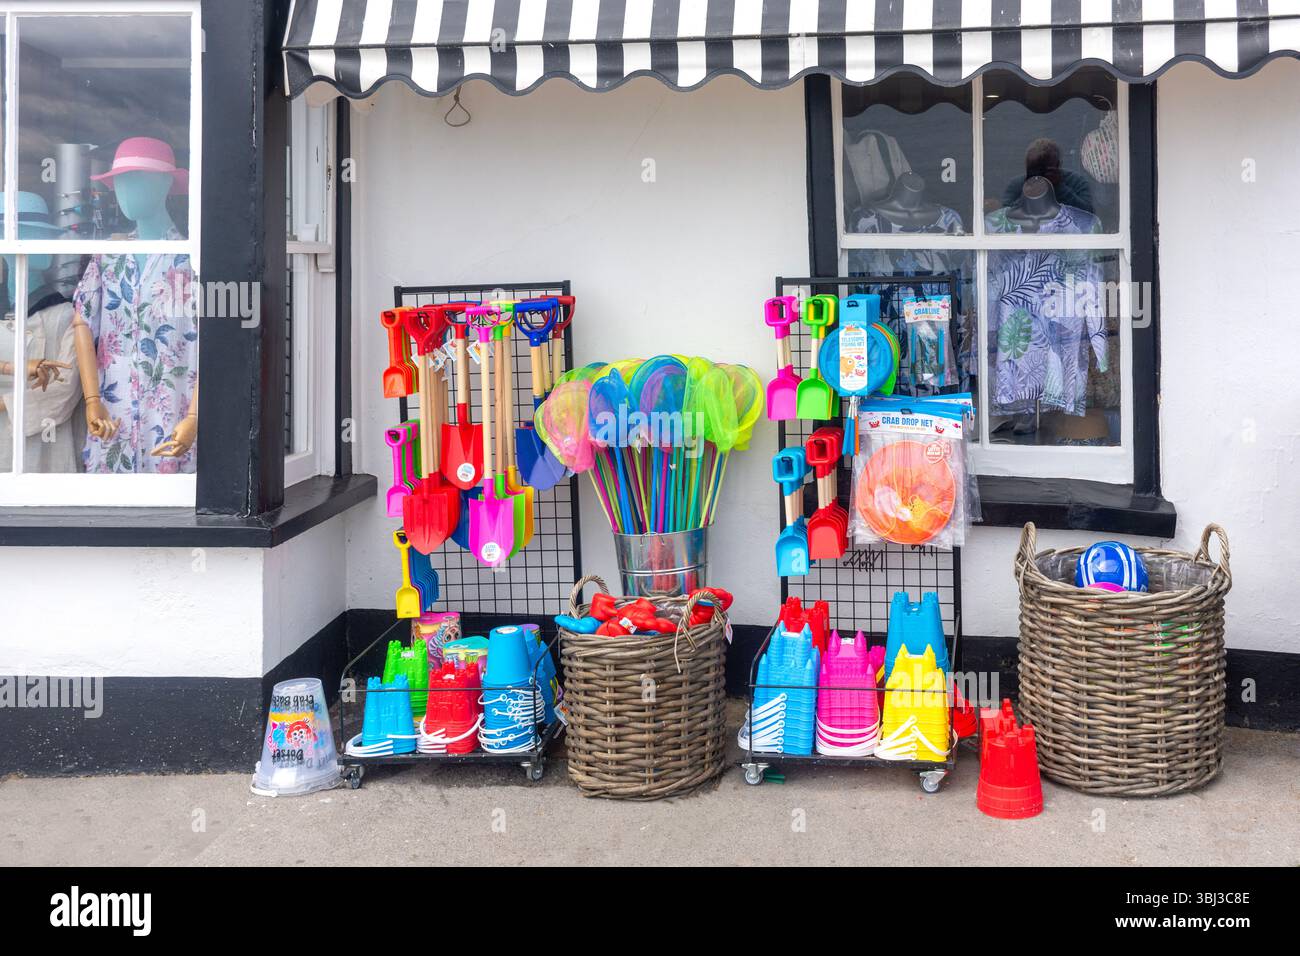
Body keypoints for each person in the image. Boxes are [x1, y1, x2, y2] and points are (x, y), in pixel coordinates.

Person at [1000, 138, 1094, 215]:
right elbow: (1003, 216)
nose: (1039, 175)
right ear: (1027, 167)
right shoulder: (1017, 184)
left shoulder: (1076, 181)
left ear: (1057, 165)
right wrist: (1026, 196)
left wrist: (1058, 186)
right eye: (1035, 169)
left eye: (1044, 170)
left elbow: (1089, 214)